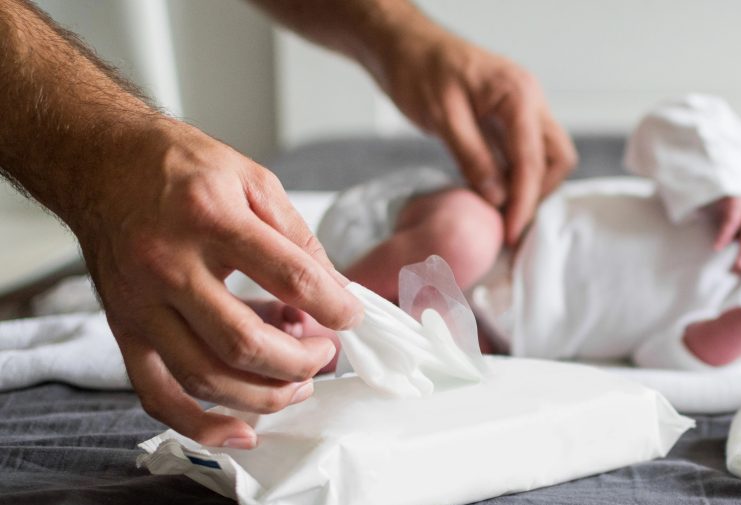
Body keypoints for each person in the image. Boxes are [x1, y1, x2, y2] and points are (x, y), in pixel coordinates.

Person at [0, 0, 576, 448]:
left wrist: (398, 32)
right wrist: (105, 159)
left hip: (514, 310)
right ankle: (326, 309)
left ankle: (318, 315)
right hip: (476, 229)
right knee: (464, 233)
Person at [304, 94, 741, 370]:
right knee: (464, 235)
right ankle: (317, 299)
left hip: (493, 334)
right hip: (506, 237)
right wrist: (728, 187)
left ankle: (307, 339)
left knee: (418, 367)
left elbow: (667, 358)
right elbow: (676, 122)